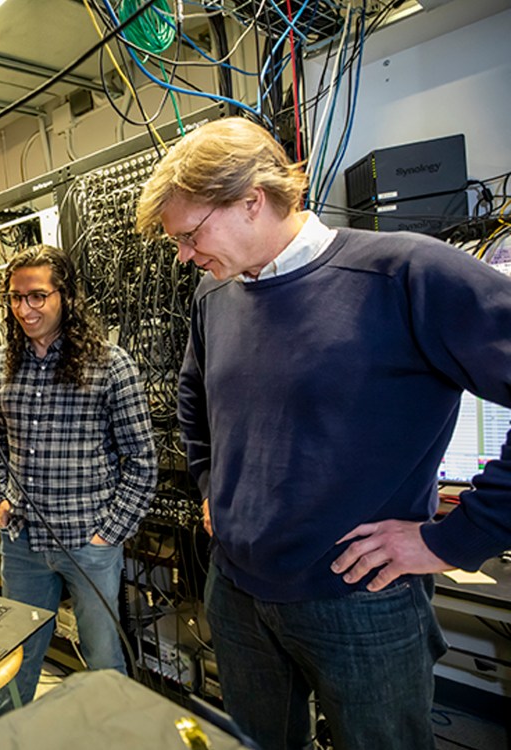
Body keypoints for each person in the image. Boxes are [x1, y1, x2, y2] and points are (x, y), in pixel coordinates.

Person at [135, 117, 511, 750]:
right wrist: (209, 486)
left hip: (360, 601)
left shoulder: (404, 273)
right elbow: (193, 398)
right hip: (236, 592)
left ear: (252, 200)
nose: (184, 255)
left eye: (190, 234)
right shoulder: (214, 295)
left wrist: (455, 538)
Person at [0, 245, 158, 712]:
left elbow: (142, 459)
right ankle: (11, 738)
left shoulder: (110, 363)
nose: (25, 309)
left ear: (66, 296)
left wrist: (109, 534)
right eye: (16, 298)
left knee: (104, 660)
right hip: (22, 540)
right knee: (16, 659)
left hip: (89, 541)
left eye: (38, 296)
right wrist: (1, 496)